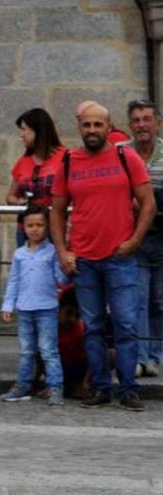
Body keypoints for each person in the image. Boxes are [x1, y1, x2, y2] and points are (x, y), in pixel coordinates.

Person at [51, 102, 156, 412]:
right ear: (79, 126)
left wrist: (134, 240)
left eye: (98, 125)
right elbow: (56, 210)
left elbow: (147, 203)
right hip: (84, 260)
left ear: (109, 126)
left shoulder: (127, 156)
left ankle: (128, 389)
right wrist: (62, 250)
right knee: (93, 327)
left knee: (125, 324)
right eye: (87, 125)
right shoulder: (69, 161)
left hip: (120, 257)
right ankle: (99, 387)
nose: (92, 131)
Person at [0, 205, 66, 406]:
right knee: (26, 350)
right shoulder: (19, 254)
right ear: (23, 228)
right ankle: (23, 384)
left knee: (48, 350)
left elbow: (60, 278)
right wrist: (8, 305)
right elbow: (14, 281)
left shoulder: (53, 251)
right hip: (25, 308)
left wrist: (67, 265)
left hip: (47, 307)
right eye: (30, 225)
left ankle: (55, 386)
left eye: (39, 225)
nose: (35, 229)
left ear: (47, 227)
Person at [125, 99, 163, 378]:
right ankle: (140, 357)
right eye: (136, 120)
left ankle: (157, 356)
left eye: (146, 119)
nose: (142, 125)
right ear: (130, 125)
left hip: (162, 238)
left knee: (160, 300)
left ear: (157, 123)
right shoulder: (120, 153)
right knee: (137, 299)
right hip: (133, 237)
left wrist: (147, 202)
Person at [5, 108, 65, 246]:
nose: (21, 135)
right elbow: (10, 196)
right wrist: (19, 202)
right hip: (26, 230)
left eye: (24, 129)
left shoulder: (65, 157)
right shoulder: (23, 161)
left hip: (54, 229)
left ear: (38, 130)